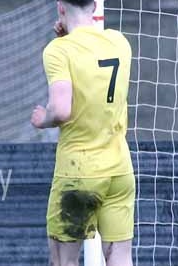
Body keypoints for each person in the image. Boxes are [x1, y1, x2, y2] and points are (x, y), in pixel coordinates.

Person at [30, 0, 134, 265]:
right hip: (119, 170)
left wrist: (43, 119)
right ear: (94, 7)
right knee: (120, 258)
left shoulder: (58, 50)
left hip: (79, 172)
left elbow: (61, 109)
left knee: (64, 262)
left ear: (60, 7)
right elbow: (94, 65)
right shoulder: (120, 42)